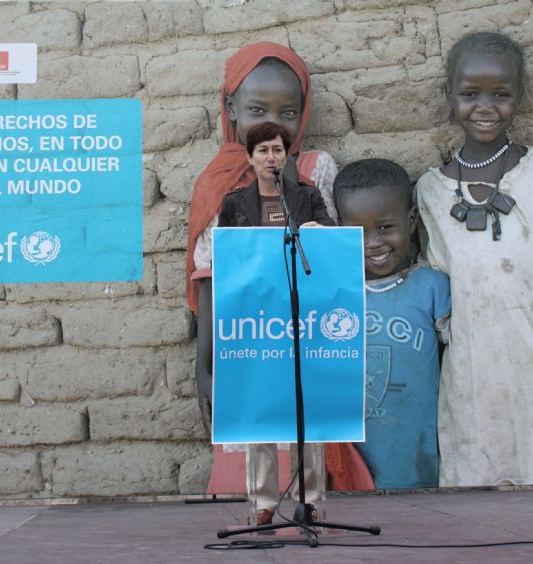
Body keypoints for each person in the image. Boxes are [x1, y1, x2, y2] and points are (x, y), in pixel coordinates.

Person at [415, 31, 533, 487]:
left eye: (501, 95)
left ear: (517, 97)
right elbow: (437, 285)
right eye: (470, 94)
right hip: (473, 361)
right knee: (477, 473)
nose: (485, 107)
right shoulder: (432, 190)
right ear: (449, 95)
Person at [185, 42, 338, 433]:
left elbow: (334, 263)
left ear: (302, 113)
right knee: (253, 460)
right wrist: (205, 369)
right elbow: (210, 279)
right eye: (257, 110)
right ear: (232, 108)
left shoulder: (315, 170)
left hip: (312, 342)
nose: (273, 123)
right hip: (245, 346)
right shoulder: (217, 184)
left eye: (287, 113)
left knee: (307, 453)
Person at [217, 121, 335, 524]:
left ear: (287, 156)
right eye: (263, 150)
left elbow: (333, 248)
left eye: (278, 150)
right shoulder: (234, 205)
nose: (271, 157)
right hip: (257, 323)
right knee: (261, 409)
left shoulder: (306, 197)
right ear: (250, 157)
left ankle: (311, 500)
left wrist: (320, 233)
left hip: (303, 321)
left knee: (306, 409)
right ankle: (264, 503)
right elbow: (226, 261)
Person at [332, 159, 450, 488]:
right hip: (353, 450)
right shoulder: (335, 293)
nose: (373, 242)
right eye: (358, 231)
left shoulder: (431, 286)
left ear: (411, 220)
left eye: (385, 227)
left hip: (416, 449)